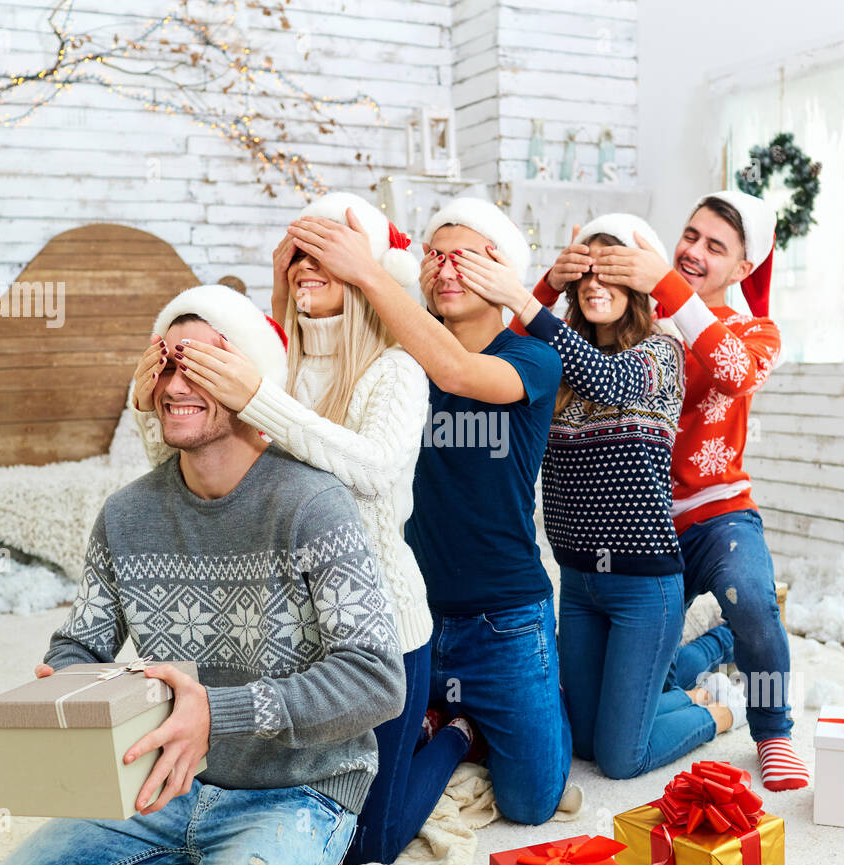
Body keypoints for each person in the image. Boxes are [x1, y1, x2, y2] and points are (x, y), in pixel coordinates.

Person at [3, 285, 406, 865]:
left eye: (201, 364)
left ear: (250, 382)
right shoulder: (125, 514)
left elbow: (375, 679)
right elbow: (77, 644)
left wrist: (217, 712)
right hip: (158, 782)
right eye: (165, 362)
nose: (174, 385)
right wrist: (68, 689)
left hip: (294, 793)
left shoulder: (314, 505)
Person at [129, 193, 471, 865]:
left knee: (370, 844)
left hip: (384, 635)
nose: (307, 264)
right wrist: (147, 409)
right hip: (290, 638)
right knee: (288, 804)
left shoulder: (396, 370)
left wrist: (259, 399)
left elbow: (370, 472)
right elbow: (193, 483)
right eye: (298, 250)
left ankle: (453, 733)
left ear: (368, 268)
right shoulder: (274, 365)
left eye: (328, 251)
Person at [283, 197, 572, 825]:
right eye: (433, 255)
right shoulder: (396, 354)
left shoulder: (533, 359)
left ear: (501, 273)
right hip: (409, 616)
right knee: (364, 790)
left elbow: (461, 371)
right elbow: (321, 346)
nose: (443, 268)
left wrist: (366, 272)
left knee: (531, 803)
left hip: (505, 621)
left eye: (462, 257)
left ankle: (575, 694)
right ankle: (460, 725)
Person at [522, 192, 807, 791]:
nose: (694, 252)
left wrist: (668, 285)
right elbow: (547, 348)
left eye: (715, 246)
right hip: (635, 529)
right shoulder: (636, 317)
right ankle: (711, 652)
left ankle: (773, 726)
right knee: (632, 684)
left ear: (744, 268)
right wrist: (561, 278)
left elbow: (736, 369)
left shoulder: (751, 330)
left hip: (715, 512)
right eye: (690, 235)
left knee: (753, 599)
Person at [450, 213, 745, 779]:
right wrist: (544, 286)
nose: (593, 285)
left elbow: (609, 381)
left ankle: (717, 703)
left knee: (618, 758)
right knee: (581, 739)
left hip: (645, 586)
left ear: (635, 287)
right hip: (579, 583)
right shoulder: (552, 363)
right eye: (583, 275)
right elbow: (501, 343)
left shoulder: (662, 355)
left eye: (609, 273)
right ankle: (680, 672)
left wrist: (527, 298)